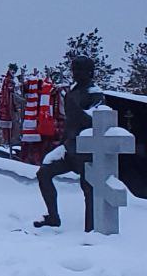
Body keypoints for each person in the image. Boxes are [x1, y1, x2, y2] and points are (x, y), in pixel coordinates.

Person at [35, 56, 104, 231]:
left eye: (80, 70)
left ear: (90, 72)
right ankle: (53, 217)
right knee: (44, 173)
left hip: (87, 149)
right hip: (69, 147)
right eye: (74, 69)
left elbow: (94, 120)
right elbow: (69, 120)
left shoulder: (95, 94)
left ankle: (91, 228)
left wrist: (76, 108)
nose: (76, 73)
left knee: (88, 187)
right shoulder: (72, 91)